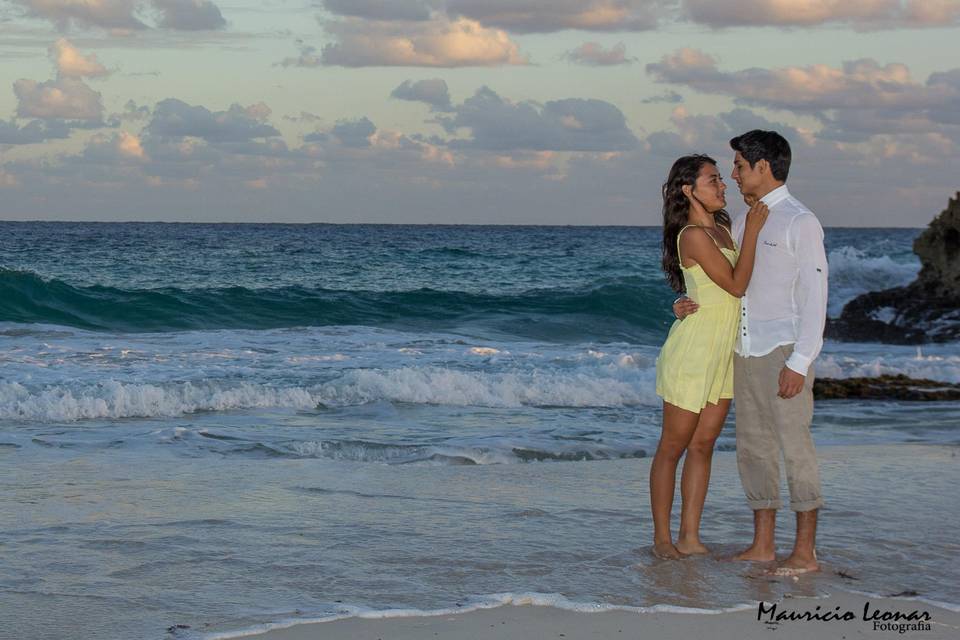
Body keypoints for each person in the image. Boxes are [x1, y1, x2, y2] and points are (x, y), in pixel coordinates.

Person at [674, 130, 829, 575]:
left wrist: (800, 361)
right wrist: (682, 303)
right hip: (743, 349)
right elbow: (724, 284)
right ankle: (762, 545)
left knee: (796, 448)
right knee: (753, 449)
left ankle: (804, 552)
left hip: (782, 351)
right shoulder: (740, 221)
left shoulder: (801, 221)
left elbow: (817, 296)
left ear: (764, 167)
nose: (735, 176)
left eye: (740, 166)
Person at [651, 154, 769, 559]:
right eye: (713, 180)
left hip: (724, 352)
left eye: (722, 179)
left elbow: (719, 292)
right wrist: (753, 230)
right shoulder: (692, 235)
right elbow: (736, 286)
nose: (723, 186)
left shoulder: (722, 229)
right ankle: (663, 540)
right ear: (689, 190)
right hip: (695, 352)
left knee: (703, 446)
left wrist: (680, 302)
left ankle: (690, 537)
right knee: (672, 447)